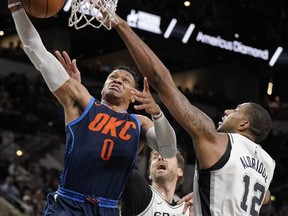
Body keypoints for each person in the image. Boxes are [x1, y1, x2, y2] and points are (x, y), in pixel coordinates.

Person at [8, 1, 177, 215]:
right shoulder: (83, 104)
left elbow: (169, 149)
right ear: (103, 85)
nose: (117, 80)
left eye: (125, 80)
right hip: (67, 204)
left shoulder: (138, 123)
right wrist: (15, 6)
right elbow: (37, 51)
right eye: (112, 77)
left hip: (106, 209)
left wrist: (158, 114)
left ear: (134, 95)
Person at [108, 13, 276, 216]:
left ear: (243, 124)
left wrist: (122, 26)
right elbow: (265, 204)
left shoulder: (216, 141)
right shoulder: (267, 165)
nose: (228, 111)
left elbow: (161, 81)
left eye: (236, 110)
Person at [55, 50, 193, 216]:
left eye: (124, 80)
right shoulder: (137, 187)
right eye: (154, 157)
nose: (159, 158)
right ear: (148, 172)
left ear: (180, 171)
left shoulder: (188, 207)